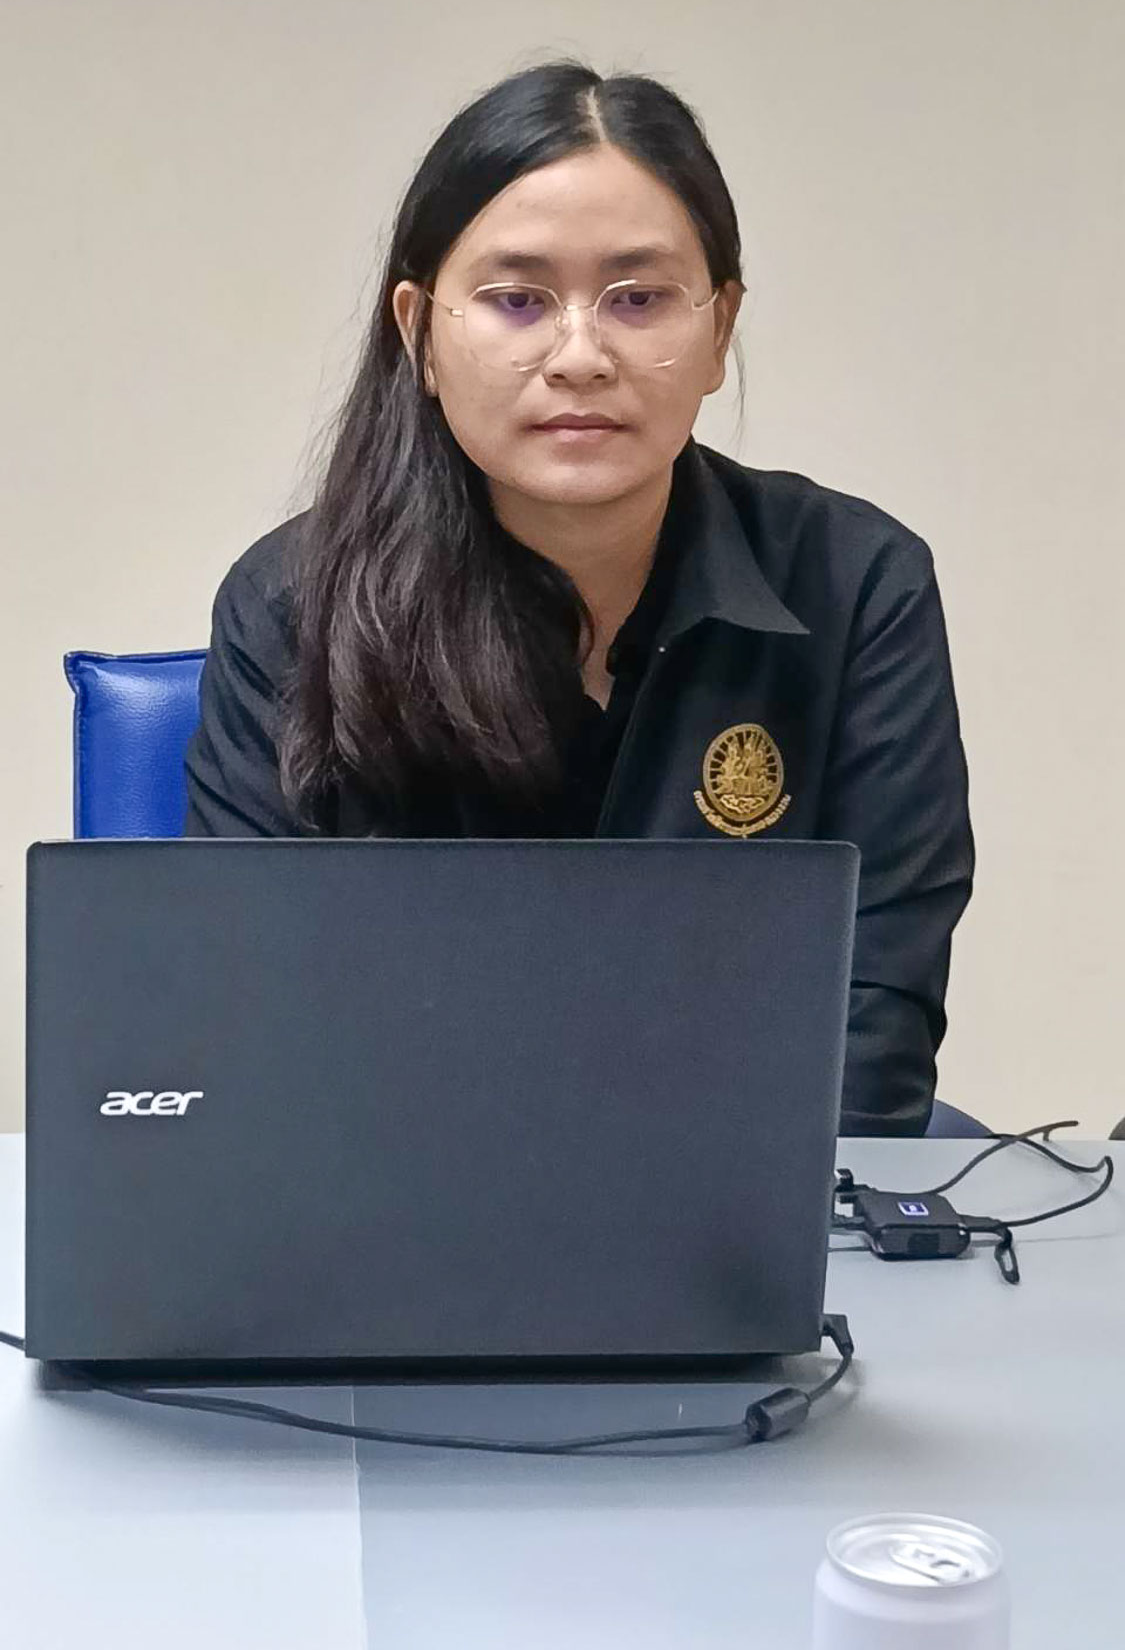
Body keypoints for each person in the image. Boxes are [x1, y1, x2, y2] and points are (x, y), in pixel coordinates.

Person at [183, 58, 974, 1135]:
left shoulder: (857, 583)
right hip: (401, 1185)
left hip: (747, 1191)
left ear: (719, 329)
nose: (581, 355)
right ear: (418, 334)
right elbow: (254, 1020)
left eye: (638, 299)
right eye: (516, 300)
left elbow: (871, 1029)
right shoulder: (292, 603)